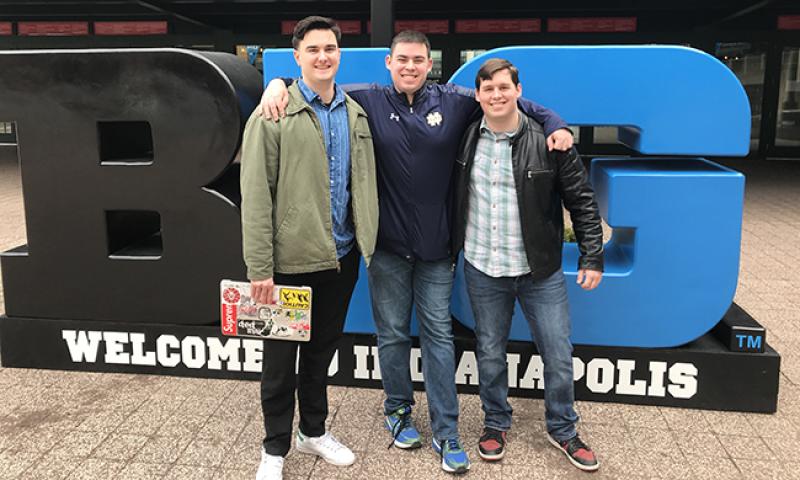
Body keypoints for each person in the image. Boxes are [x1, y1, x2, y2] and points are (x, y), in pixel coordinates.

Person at [259, 31, 573, 474]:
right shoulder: (364, 98)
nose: (410, 66)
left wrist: (555, 122)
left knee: (438, 337)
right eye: (402, 59)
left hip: (435, 251)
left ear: (430, 64)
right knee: (391, 335)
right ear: (388, 62)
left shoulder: (456, 101)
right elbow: (315, 85)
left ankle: (446, 432)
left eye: (418, 60)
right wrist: (276, 84)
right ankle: (397, 410)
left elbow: (511, 101)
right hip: (386, 248)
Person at [240, 16, 378, 480]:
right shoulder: (273, 114)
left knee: (320, 354)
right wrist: (260, 268)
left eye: (331, 48)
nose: (323, 56)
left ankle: (313, 431)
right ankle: (274, 449)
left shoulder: (354, 112)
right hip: (288, 263)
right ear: (297, 57)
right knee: (280, 364)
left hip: (340, 259)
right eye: (313, 49)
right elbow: (256, 195)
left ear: (339, 55)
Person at [451, 58, 603, 472]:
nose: (496, 95)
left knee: (557, 350)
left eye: (504, 87)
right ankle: (495, 423)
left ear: (519, 90)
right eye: (488, 89)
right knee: (489, 351)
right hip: (483, 266)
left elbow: (582, 201)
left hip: (541, 271)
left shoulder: (550, 141)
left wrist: (592, 253)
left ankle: (564, 429)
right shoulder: (464, 138)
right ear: (478, 95)